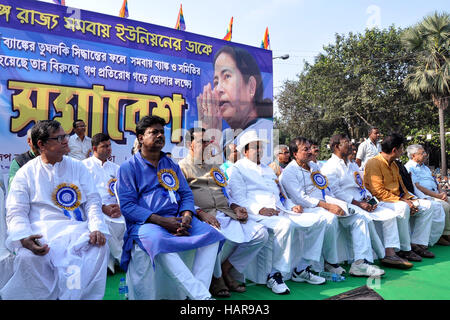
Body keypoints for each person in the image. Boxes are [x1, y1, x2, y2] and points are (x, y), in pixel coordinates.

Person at [116, 115, 224, 300]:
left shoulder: (171, 165)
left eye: (161, 131)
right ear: (141, 137)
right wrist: (162, 221)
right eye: (153, 132)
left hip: (178, 218)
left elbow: (186, 194)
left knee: (213, 237)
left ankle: (196, 293)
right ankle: (202, 298)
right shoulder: (128, 167)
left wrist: (187, 215)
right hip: (147, 223)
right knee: (158, 242)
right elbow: (127, 206)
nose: (160, 135)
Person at [1, 120, 109, 300]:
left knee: (98, 248)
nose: (66, 141)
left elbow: (92, 200)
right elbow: (16, 210)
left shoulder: (77, 167)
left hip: (75, 229)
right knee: (28, 257)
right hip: (40, 231)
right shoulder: (25, 173)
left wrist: (96, 226)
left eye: (65, 136)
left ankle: (78, 297)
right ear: (41, 145)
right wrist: (23, 236)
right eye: (59, 138)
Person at [228, 130, 332, 295]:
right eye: (255, 147)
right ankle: (274, 274)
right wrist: (260, 209)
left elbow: (281, 194)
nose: (259, 150)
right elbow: (238, 199)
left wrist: (291, 206)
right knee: (285, 225)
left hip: (280, 210)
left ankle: (301, 267)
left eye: (261, 147)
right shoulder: (237, 169)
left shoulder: (268, 169)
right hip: (257, 214)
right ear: (245, 151)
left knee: (319, 220)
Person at [179, 128, 268, 298]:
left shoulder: (215, 165)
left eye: (207, 141)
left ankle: (226, 269)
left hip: (226, 213)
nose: (206, 145)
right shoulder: (181, 167)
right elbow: (180, 198)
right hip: (204, 216)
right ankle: (216, 277)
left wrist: (236, 207)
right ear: (190, 144)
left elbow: (227, 192)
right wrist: (200, 213)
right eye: (201, 141)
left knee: (261, 234)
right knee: (216, 235)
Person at [280, 137, 385, 277]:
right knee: (330, 219)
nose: (311, 151)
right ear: (295, 154)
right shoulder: (289, 172)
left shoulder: (315, 167)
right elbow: (301, 198)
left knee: (359, 217)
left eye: (310, 148)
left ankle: (360, 263)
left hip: (327, 203)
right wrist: (329, 206)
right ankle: (330, 262)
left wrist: (337, 204)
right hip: (309, 208)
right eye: (306, 149)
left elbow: (326, 189)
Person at [321, 134, 412, 269]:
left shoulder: (352, 165)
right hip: (347, 204)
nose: (351, 146)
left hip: (361, 201)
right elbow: (335, 192)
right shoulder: (330, 167)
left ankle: (390, 253)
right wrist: (359, 204)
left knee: (389, 214)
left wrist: (371, 200)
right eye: (346, 142)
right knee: (363, 218)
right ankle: (367, 260)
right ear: (336, 147)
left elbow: (361, 186)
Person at [364, 133, 437, 262]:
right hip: (380, 201)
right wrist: (404, 201)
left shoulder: (394, 164)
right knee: (403, 207)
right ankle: (405, 249)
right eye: (402, 149)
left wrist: (412, 200)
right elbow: (378, 192)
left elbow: (402, 188)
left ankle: (417, 244)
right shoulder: (373, 163)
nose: (403, 152)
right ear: (394, 150)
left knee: (428, 206)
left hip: (397, 200)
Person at [197, 45, 273, 164]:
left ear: (251, 87)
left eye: (227, 76)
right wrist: (208, 133)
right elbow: (212, 174)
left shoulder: (265, 130)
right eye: (216, 82)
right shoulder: (227, 134)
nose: (218, 89)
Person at [82, 133, 126, 273]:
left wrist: (120, 207)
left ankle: (110, 262)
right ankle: (122, 259)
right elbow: (83, 194)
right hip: (95, 208)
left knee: (127, 222)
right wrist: (102, 208)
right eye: (104, 146)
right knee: (104, 224)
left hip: (116, 209)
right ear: (95, 148)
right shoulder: (84, 166)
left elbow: (123, 192)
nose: (109, 149)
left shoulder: (116, 168)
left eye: (110, 146)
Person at [401, 145, 449, 246]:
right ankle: (442, 235)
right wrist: (438, 196)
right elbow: (418, 187)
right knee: (445, 206)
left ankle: (447, 233)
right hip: (425, 196)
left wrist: (442, 192)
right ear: (414, 155)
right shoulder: (409, 167)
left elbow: (435, 181)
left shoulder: (425, 167)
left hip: (436, 193)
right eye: (422, 153)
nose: (425, 154)